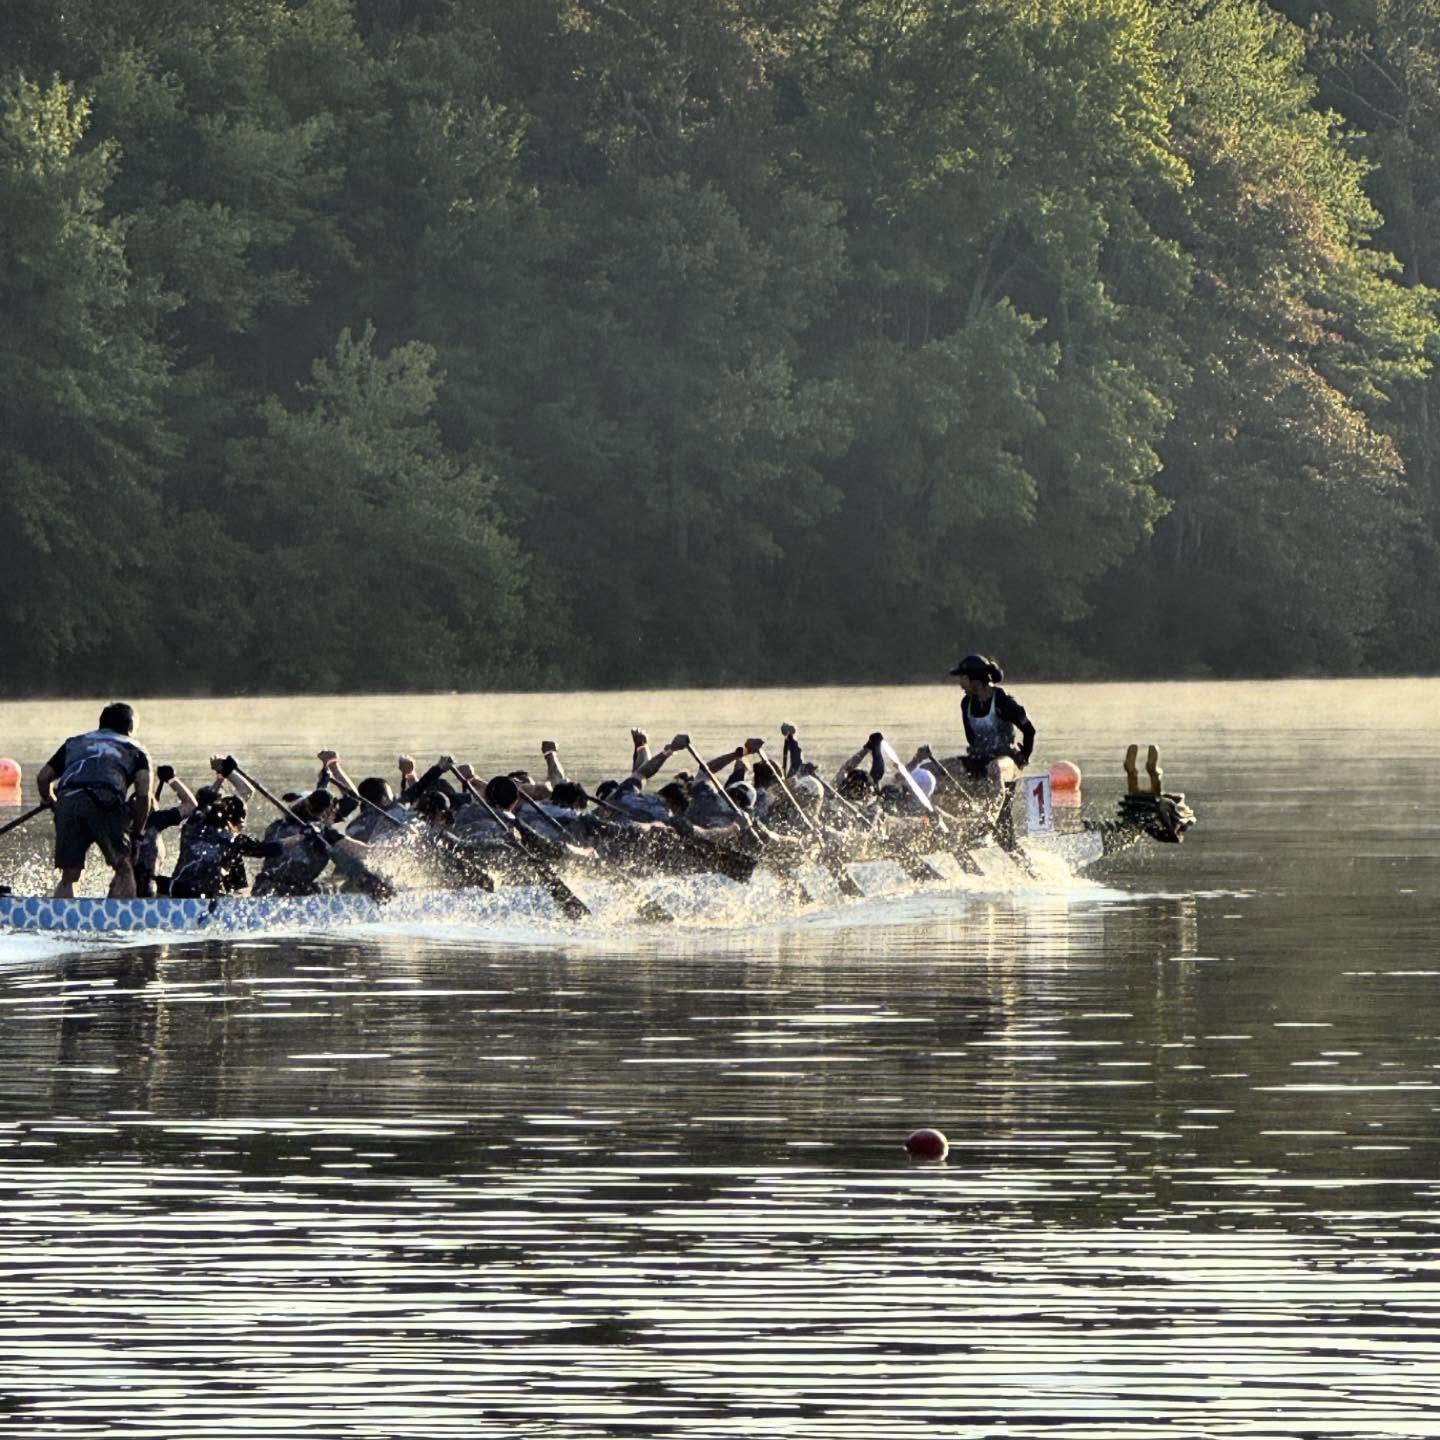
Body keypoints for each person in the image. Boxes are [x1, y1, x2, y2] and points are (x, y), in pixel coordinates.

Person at [35, 703, 152, 899]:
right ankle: (124, 914)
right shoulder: (136, 750)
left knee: (69, 874)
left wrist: (51, 801)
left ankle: (63, 914)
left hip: (68, 802)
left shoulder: (74, 743)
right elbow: (143, 795)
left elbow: (43, 778)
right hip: (105, 802)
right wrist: (137, 833)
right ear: (130, 727)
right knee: (123, 867)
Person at [937, 654, 1035, 799]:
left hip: (1005, 761)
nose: (960, 684)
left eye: (963, 678)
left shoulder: (1003, 701)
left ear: (975, 680)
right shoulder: (966, 703)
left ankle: (992, 811)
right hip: (979, 760)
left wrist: (1024, 756)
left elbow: (1029, 730)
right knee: (933, 769)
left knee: (994, 768)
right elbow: (971, 739)